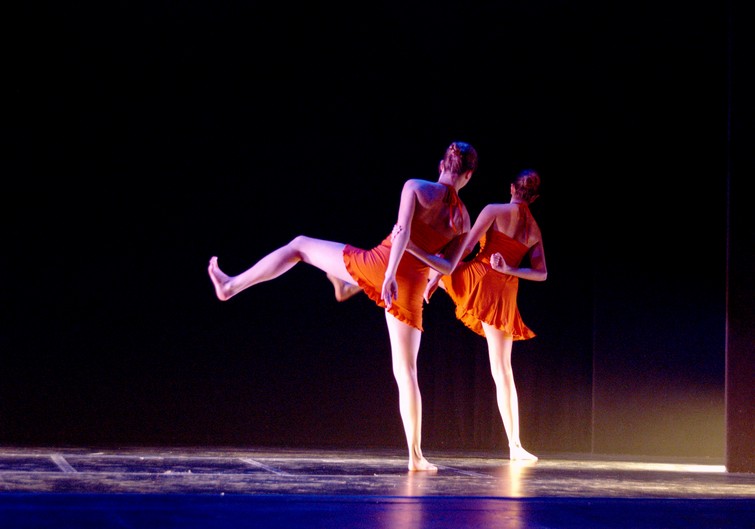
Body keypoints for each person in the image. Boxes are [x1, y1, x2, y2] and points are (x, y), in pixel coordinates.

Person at [208, 141, 479, 471]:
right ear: (468, 175)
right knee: (407, 371)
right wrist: (421, 268)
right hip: (410, 286)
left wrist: (390, 272)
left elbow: (402, 233)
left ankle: (231, 286)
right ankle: (416, 456)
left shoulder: (416, 187)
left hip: (382, 265)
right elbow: (446, 266)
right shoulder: (464, 219)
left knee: (300, 246)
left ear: (441, 164)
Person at [405, 169, 547, 461]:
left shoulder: (494, 210)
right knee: (503, 370)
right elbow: (541, 273)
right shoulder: (534, 229)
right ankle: (515, 445)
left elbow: (466, 246)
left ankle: (368, 278)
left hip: (479, 279)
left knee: (420, 263)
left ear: (512, 188)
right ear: (534, 198)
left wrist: (437, 278)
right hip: (504, 293)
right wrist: (510, 269)